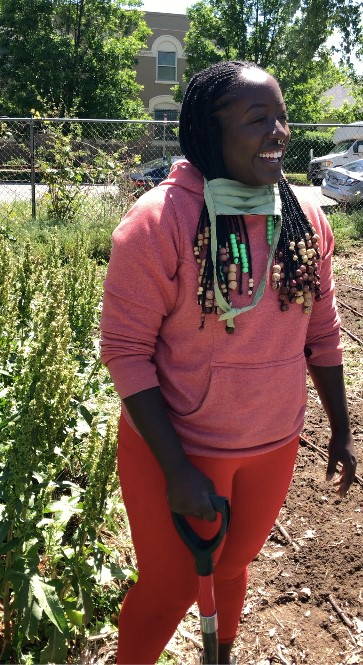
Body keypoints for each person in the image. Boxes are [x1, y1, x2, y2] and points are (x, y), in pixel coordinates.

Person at [100, 61, 356, 665]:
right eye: (258, 117)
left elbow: (322, 330)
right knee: (168, 590)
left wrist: (341, 429)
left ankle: (223, 654)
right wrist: (179, 472)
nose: (280, 131)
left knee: (234, 566)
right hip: (180, 452)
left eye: (282, 116)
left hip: (271, 445)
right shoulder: (160, 222)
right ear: (211, 132)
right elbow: (126, 352)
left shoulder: (302, 217)